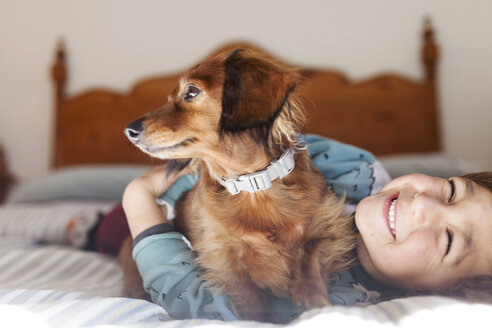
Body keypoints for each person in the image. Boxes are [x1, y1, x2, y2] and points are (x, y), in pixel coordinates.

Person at [121, 134, 492, 322]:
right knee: (110, 225)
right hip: (187, 193)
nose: (425, 204)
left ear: (461, 290)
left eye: (448, 240)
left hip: (160, 228)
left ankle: (90, 227)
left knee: (117, 238)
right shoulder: (353, 166)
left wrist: (138, 197)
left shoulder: (342, 304)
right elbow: (253, 150)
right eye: (453, 190)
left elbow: (200, 305)